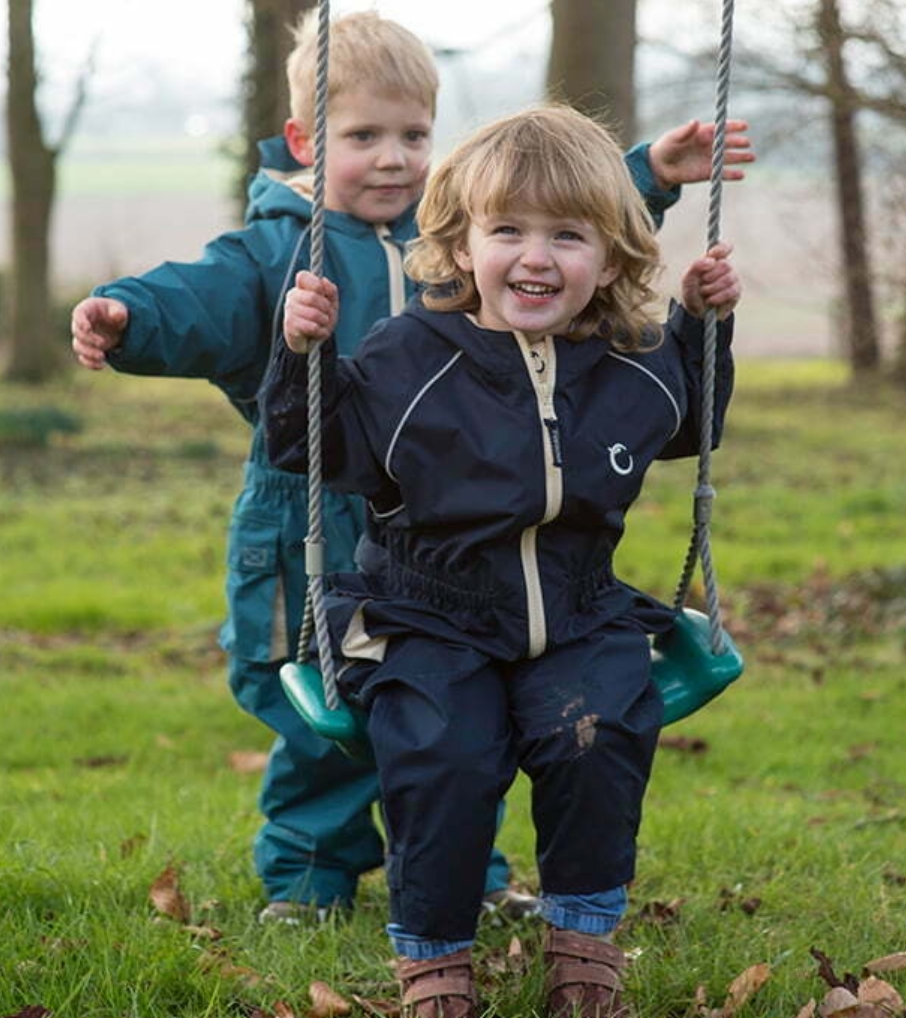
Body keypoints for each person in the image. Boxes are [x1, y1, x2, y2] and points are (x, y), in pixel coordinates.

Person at [70, 9, 753, 926]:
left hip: (455, 527)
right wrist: (124, 316)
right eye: (364, 136)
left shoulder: (453, 243)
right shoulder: (281, 250)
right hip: (313, 514)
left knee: (468, 711)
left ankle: (467, 875)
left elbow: (546, 221)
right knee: (331, 725)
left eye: (414, 135)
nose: (394, 158)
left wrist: (649, 175)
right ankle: (310, 877)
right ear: (308, 142)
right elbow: (195, 299)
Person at [260, 103, 739, 1018]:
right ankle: (435, 963)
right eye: (507, 231)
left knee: (598, 733)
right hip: (428, 613)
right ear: (460, 242)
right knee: (444, 752)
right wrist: (301, 354)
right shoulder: (409, 359)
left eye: (568, 235)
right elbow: (313, 443)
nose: (535, 257)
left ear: (610, 254)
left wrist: (697, 326)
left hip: (581, 609)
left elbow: (687, 425)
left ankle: (583, 943)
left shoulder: (628, 361)